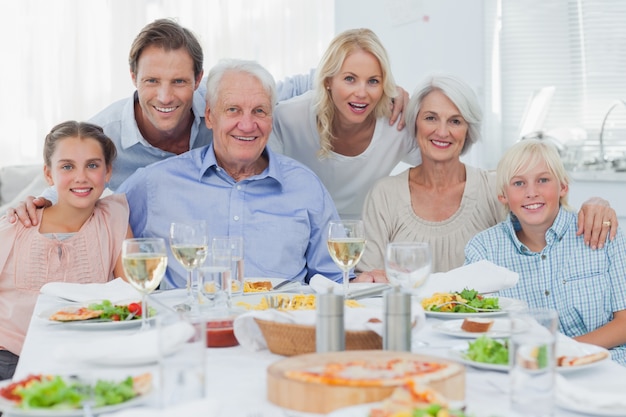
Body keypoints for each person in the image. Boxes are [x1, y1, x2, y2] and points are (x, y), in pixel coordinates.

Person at [9, 20, 409, 226]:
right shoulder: (107, 132)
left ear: (198, 82)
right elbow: (68, 176)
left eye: (179, 82)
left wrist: (384, 89)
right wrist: (35, 202)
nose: (165, 97)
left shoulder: (225, 107)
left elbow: (302, 82)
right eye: (152, 81)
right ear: (133, 79)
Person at [117, 59, 346, 289]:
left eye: (259, 111)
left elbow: (336, 280)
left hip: (279, 322)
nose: (247, 125)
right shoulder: (156, 184)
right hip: (189, 322)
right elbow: (98, 226)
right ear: (210, 116)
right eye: (233, 110)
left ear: (271, 118)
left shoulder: (305, 186)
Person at [358, 74, 618, 275]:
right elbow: (370, 281)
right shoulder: (385, 195)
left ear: (468, 131)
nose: (442, 131)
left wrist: (597, 205)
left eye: (455, 121)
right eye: (430, 118)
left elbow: (553, 230)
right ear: (415, 123)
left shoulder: (496, 187)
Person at [465, 139, 626, 365]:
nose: (532, 192)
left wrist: (559, 352)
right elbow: (479, 328)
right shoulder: (483, 250)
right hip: (528, 370)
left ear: (563, 187)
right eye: (519, 183)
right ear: (503, 195)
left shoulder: (602, 233)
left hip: (607, 367)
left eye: (543, 180)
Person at [0, 121, 132, 380]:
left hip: (85, 360)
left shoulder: (115, 217)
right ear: (49, 175)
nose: (81, 177)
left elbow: (129, 299)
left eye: (92, 165)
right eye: (67, 166)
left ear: (107, 173)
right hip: (11, 359)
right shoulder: (16, 225)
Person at [269, 28, 421, 219]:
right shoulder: (289, 117)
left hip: (364, 238)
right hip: (301, 230)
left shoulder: (396, 125)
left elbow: (436, 173)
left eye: (373, 81)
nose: (361, 92)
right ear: (328, 81)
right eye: (350, 79)